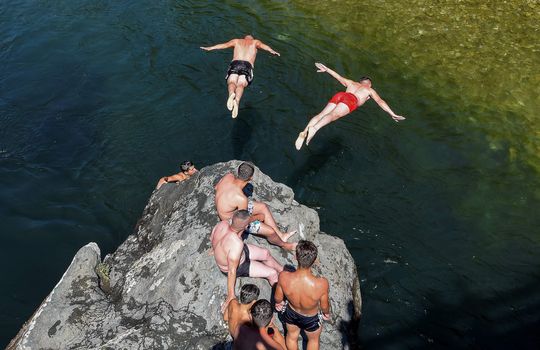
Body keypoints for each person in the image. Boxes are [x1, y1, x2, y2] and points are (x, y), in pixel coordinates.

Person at [295, 62, 406, 150]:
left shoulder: (351, 83)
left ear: (360, 82)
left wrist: (327, 69)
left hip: (341, 95)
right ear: (369, 84)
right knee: (333, 115)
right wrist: (392, 113)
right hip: (351, 100)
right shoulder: (369, 90)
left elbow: (338, 76)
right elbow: (380, 101)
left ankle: (304, 132)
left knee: (322, 114)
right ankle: (314, 128)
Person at [211, 210, 284, 312]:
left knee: (265, 253)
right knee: (272, 273)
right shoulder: (236, 244)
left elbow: (212, 237)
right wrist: (231, 295)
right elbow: (232, 271)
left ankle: (282, 270)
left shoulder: (222, 224)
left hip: (236, 252)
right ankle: (279, 302)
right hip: (237, 266)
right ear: (245, 227)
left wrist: (215, 250)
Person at [215, 162, 296, 251]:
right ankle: (284, 245)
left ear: (238, 171)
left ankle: (281, 235)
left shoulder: (228, 176)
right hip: (231, 220)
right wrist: (258, 217)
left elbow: (216, 187)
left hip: (228, 210)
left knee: (263, 207)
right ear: (250, 178)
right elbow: (242, 222)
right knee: (271, 232)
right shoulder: (241, 199)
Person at [200, 35, 280, 118]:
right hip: (247, 65)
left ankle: (231, 94)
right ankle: (237, 101)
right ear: (251, 39)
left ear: (244, 38)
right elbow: (264, 46)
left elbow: (224, 45)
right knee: (241, 84)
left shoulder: (236, 41)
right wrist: (272, 50)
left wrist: (210, 48)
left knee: (231, 82)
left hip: (235, 64)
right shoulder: (255, 42)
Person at [274, 240, 331, 350]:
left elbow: (278, 297)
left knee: (291, 336)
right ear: (314, 261)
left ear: (296, 257)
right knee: (313, 340)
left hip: (291, 312)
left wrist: (278, 303)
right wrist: (326, 313)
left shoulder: (283, 276)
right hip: (311, 318)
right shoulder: (321, 284)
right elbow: (324, 305)